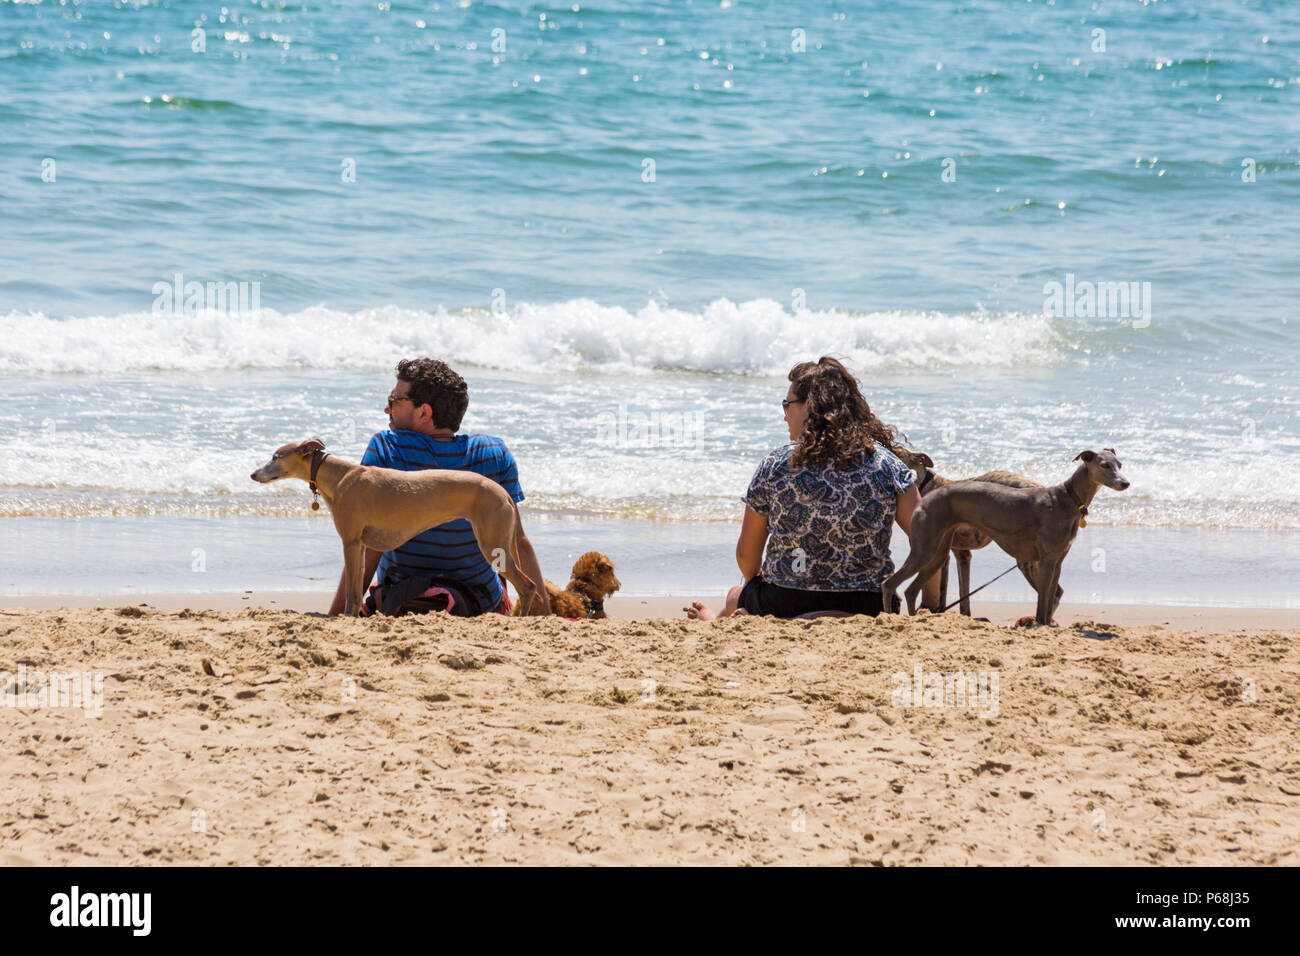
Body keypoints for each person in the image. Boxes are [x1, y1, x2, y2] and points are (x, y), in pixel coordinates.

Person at [685, 356, 940, 620]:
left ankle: (717, 621)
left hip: (784, 602)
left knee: (735, 594)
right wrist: (931, 606)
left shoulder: (776, 465)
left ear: (808, 406)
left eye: (787, 405)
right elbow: (929, 537)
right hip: (869, 604)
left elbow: (746, 556)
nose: (784, 415)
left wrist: (757, 583)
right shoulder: (887, 465)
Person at [327, 358, 550, 617]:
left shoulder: (387, 448)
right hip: (477, 601)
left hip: (403, 595)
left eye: (394, 401)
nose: (386, 410)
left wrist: (334, 616)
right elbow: (518, 544)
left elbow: (370, 547)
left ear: (424, 412)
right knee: (500, 559)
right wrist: (544, 617)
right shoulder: (493, 453)